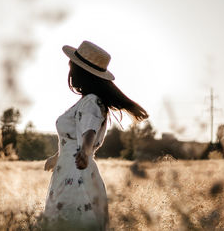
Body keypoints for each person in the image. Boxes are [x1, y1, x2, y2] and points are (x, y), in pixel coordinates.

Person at [41, 40, 148, 230]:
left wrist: (85, 151)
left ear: (80, 72)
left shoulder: (91, 102)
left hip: (76, 176)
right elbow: (75, 136)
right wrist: (57, 157)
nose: (69, 71)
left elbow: (88, 131)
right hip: (70, 171)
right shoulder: (87, 102)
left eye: (71, 66)